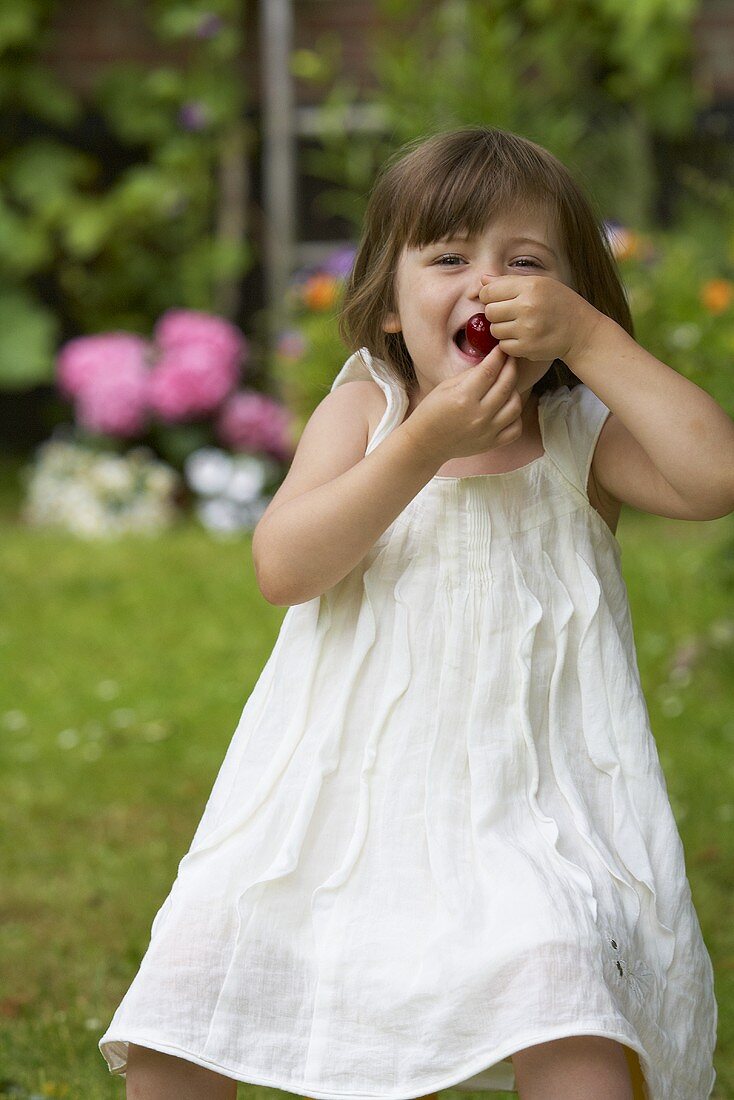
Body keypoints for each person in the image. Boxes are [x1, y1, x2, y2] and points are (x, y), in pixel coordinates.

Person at [99, 127, 732, 1100]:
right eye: (447, 258)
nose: (487, 282)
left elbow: (711, 476)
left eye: (525, 264)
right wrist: (418, 447)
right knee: (191, 985)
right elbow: (283, 564)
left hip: (528, 807)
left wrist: (596, 341)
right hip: (333, 798)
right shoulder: (366, 414)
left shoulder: (575, 437)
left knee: (565, 991)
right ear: (390, 311)